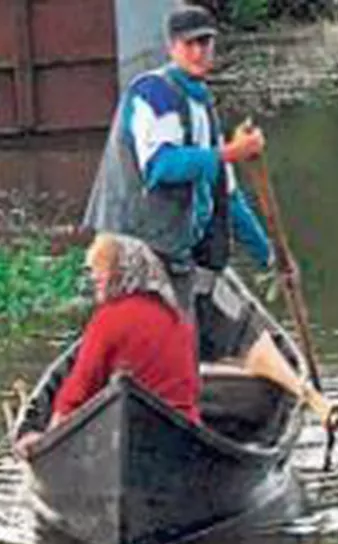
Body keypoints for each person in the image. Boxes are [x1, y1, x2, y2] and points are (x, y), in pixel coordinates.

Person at [81, 3, 272, 324]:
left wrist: (269, 256)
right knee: (139, 339)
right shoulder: (154, 92)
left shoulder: (202, 104)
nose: (198, 52)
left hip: (174, 251)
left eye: (204, 43)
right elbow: (160, 167)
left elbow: (227, 197)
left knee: (184, 338)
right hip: (131, 250)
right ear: (172, 48)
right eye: (189, 44)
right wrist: (228, 153)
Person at [13, 234, 200, 459]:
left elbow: (79, 387)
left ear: (120, 272)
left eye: (100, 269)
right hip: (179, 434)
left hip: (122, 435)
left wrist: (49, 440)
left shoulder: (109, 319)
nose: (94, 277)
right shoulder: (178, 319)